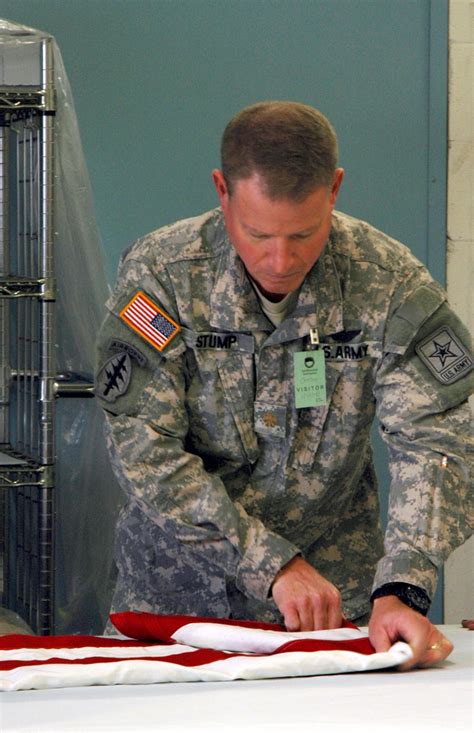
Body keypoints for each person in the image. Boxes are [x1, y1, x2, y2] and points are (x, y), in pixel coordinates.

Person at [95, 101, 473, 670]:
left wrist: (404, 585)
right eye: (258, 233)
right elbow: (142, 450)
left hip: (331, 613)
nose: (280, 259)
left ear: (335, 190)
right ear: (222, 190)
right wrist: (267, 562)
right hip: (176, 610)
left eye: (304, 233)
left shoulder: (387, 281)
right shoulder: (164, 273)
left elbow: (439, 440)